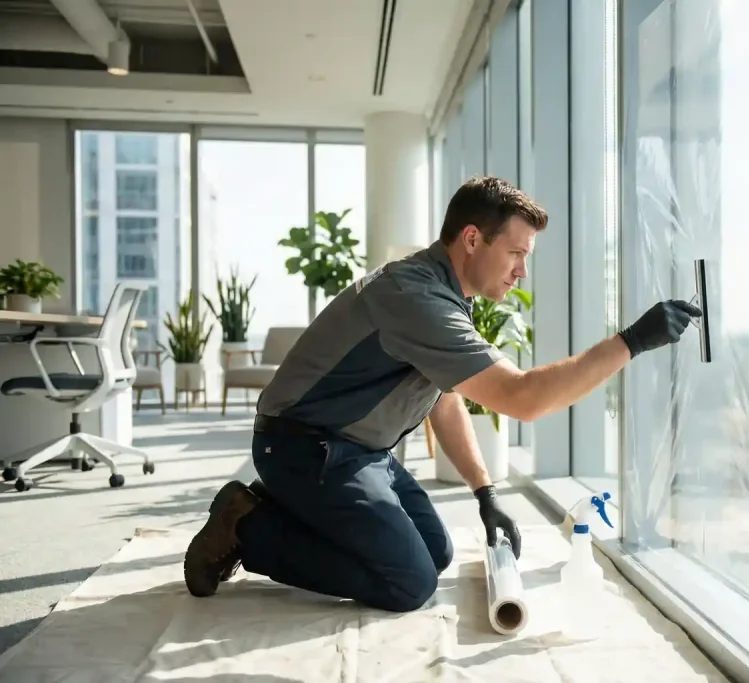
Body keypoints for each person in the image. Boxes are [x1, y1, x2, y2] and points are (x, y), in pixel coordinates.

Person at [183, 176, 702, 613]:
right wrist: (631, 342)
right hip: (303, 447)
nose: (522, 270)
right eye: (515, 253)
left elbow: (445, 397)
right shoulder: (417, 298)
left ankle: (293, 508)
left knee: (435, 553)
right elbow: (524, 398)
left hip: (358, 451)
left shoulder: (444, 292)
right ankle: (247, 526)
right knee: (409, 584)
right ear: (472, 239)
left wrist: (484, 493)